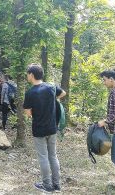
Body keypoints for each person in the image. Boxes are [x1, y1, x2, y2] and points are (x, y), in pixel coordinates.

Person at [23, 63, 66, 193]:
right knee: (53, 155)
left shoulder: (30, 92)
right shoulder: (51, 87)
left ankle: (47, 185)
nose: (27, 76)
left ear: (31, 75)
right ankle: (56, 185)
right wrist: (52, 100)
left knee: (43, 157)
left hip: (39, 130)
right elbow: (63, 93)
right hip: (52, 128)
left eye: (27, 74)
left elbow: (28, 113)